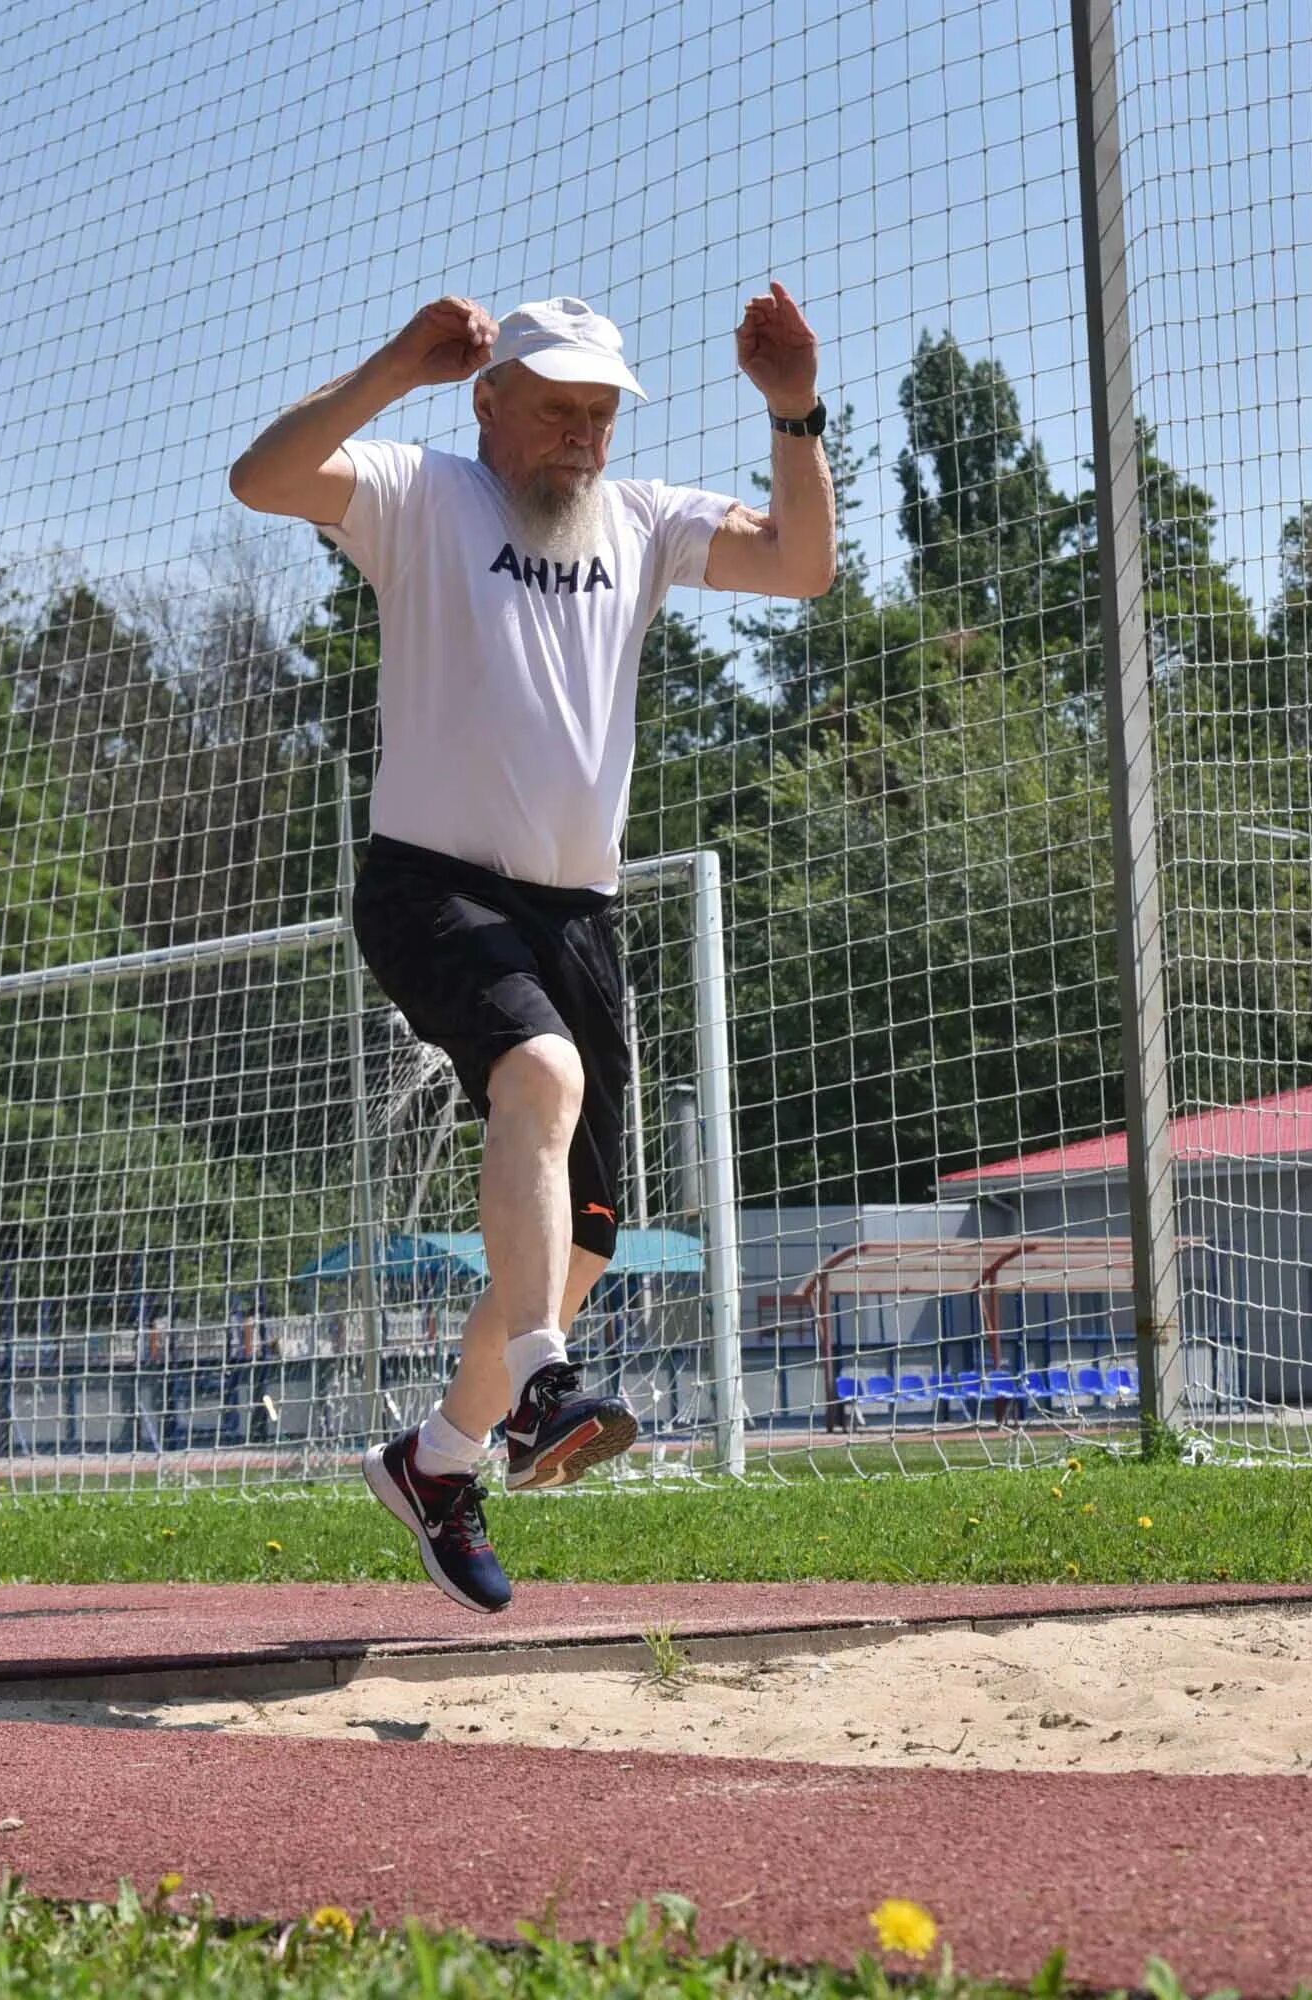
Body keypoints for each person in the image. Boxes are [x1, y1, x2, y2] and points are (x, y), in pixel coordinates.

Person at [229, 287, 835, 1612]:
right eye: (556, 403)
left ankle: (441, 1459)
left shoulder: (644, 522)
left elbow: (802, 567)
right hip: (432, 886)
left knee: (579, 1242)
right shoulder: (416, 493)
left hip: (581, 913)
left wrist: (793, 409)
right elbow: (261, 476)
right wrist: (397, 361)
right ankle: (547, 1386)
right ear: (489, 399)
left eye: (603, 411)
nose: (584, 433)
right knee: (541, 1079)